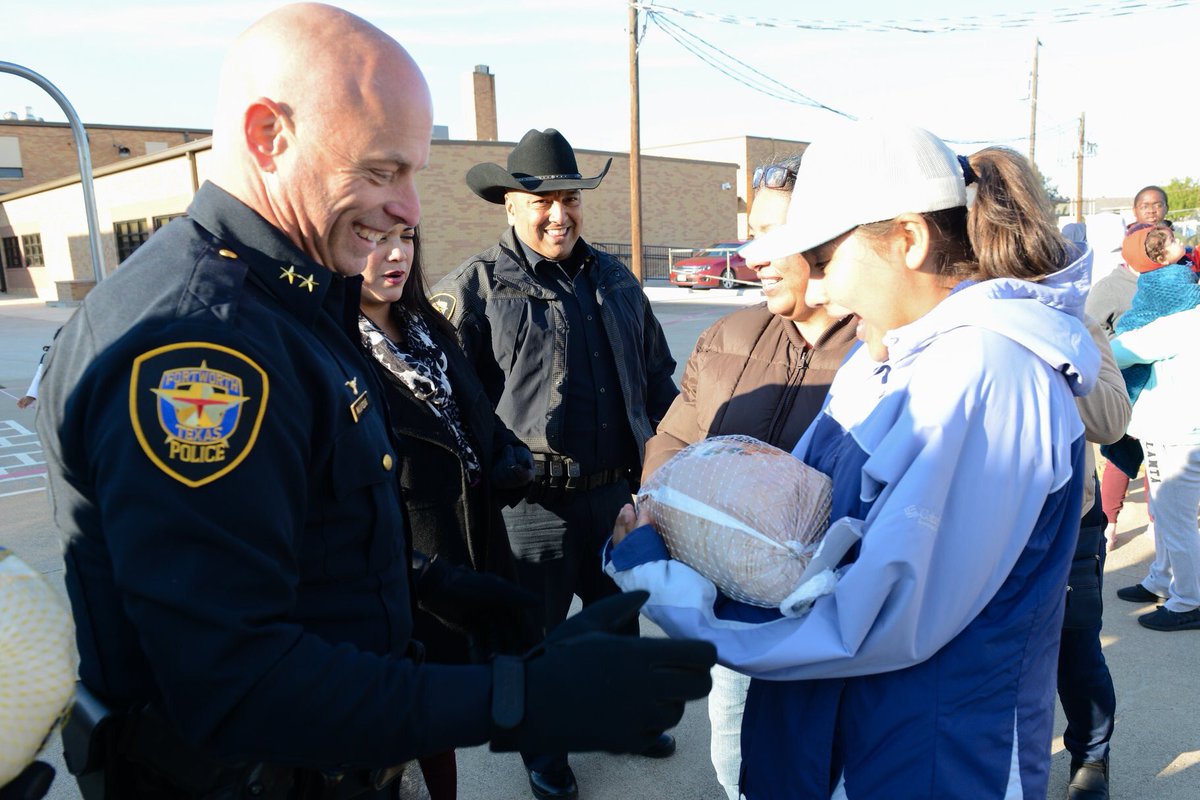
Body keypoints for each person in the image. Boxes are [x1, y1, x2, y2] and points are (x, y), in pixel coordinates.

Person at [34, 6, 715, 799]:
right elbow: (233, 682)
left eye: (412, 174)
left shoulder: (292, 304)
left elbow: (309, 545)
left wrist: (432, 585)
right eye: (382, 170)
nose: (409, 210)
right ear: (268, 137)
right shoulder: (203, 346)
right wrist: (515, 699)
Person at [606, 121, 1100, 798]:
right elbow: (803, 551)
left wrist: (665, 588)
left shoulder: (989, 373)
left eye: (823, 260)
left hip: (923, 763)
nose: (814, 293)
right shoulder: (884, 359)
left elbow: (869, 619)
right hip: (833, 740)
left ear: (908, 239)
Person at [431, 127, 680, 800]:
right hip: (531, 508)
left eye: (569, 199)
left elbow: (658, 378)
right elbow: (447, 405)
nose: (558, 214)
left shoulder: (617, 280)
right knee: (535, 641)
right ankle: (545, 753)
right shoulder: (475, 289)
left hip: (615, 497)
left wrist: (671, 460)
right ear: (510, 205)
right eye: (541, 201)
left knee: (619, 623)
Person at [641, 156, 856, 800]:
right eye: (751, 233)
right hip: (730, 617)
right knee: (736, 762)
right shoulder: (727, 335)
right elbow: (675, 442)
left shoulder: (885, 353)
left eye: (772, 234)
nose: (751, 255)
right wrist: (656, 516)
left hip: (835, 632)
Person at [357, 223, 537, 798]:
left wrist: (506, 450)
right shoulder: (331, 347)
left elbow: (474, 411)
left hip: (476, 534)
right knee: (413, 716)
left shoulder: (430, 324)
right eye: (375, 238)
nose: (396, 254)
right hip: (410, 561)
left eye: (406, 237)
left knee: (459, 702)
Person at [1108, 268, 1200, 631]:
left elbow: (1118, 351)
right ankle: (1160, 580)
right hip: (1182, 433)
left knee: (1175, 520)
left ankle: (1188, 601)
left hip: (1175, 435)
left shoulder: (1180, 324)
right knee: (1166, 514)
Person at [1087, 186, 1170, 547]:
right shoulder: (1110, 286)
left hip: (1162, 385)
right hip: (1125, 386)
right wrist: (1120, 355)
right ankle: (1108, 522)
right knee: (1121, 454)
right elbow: (1091, 333)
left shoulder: (1166, 281)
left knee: (1159, 453)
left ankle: (1157, 519)